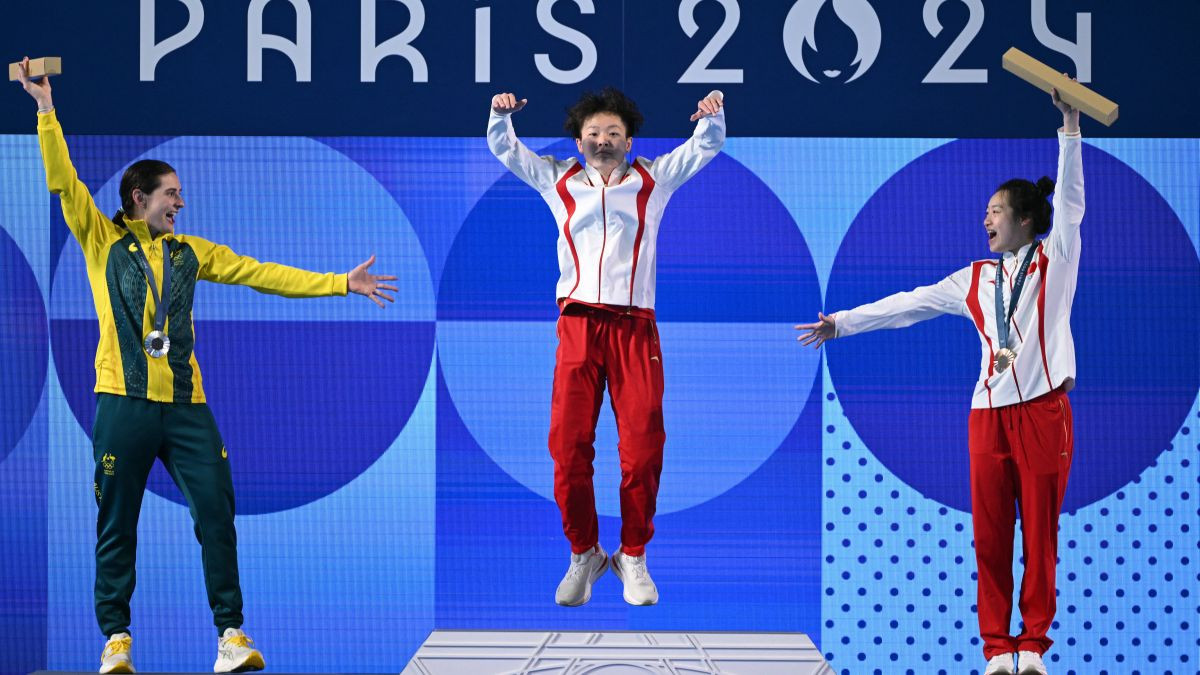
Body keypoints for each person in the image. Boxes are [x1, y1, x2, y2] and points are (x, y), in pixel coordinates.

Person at [15, 57, 398, 674]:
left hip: (189, 410)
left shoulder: (194, 252)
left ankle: (231, 636)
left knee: (217, 515)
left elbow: (260, 273)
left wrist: (339, 283)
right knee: (117, 525)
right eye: (171, 194)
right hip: (123, 403)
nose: (180, 203)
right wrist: (45, 111)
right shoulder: (100, 240)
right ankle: (116, 640)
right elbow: (63, 182)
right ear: (139, 199)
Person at [796, 88, 1082, 675]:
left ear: (1026, 220)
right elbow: (909, 304)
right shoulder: (973, 278)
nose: (986, 219)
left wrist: (1070, 130)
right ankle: (997, 649)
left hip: (1043, 413)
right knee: (991, 536)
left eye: (996, 210)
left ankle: (1032, 645)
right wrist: (842, 324)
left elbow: (1072, 202)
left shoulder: (1058, 259)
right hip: (987, 416)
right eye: (986, 212)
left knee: (1041, 537)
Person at [487, 87, 725, 606]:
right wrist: (501, 116)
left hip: (634, 328)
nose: (603, 140)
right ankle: (584, 554)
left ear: (629, 140)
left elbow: (704, 147)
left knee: (641, 451)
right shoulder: (558, 180)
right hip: (576, 326)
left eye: (613, 133)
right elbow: (507, 151)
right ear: (578, 141)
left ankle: (633, 555)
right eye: (593, 133)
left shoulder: (653, 180)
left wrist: (712, 118)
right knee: (567, 448)